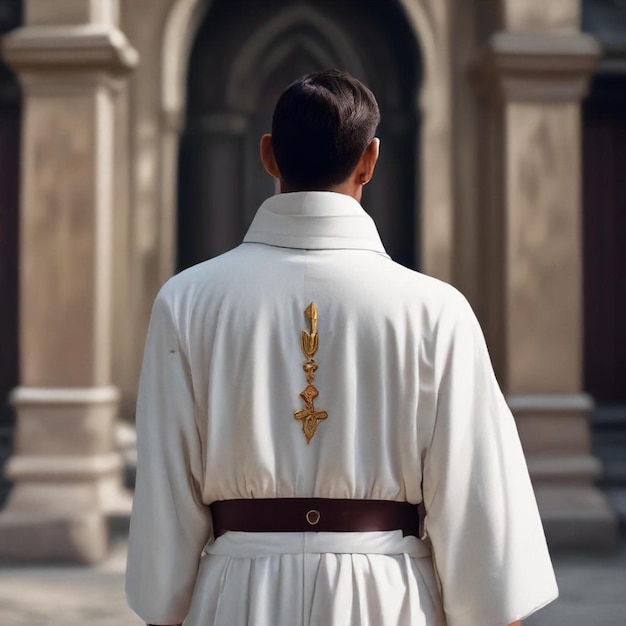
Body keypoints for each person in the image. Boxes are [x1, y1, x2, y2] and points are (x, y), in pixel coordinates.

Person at [126, 69, 558, 626]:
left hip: (236, 596)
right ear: (369, 160)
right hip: (388, 597)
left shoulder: (185, 301)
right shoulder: (436, 310)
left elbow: (165, 495)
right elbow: (479, 507)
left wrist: (168, 607)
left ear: (269, 156)